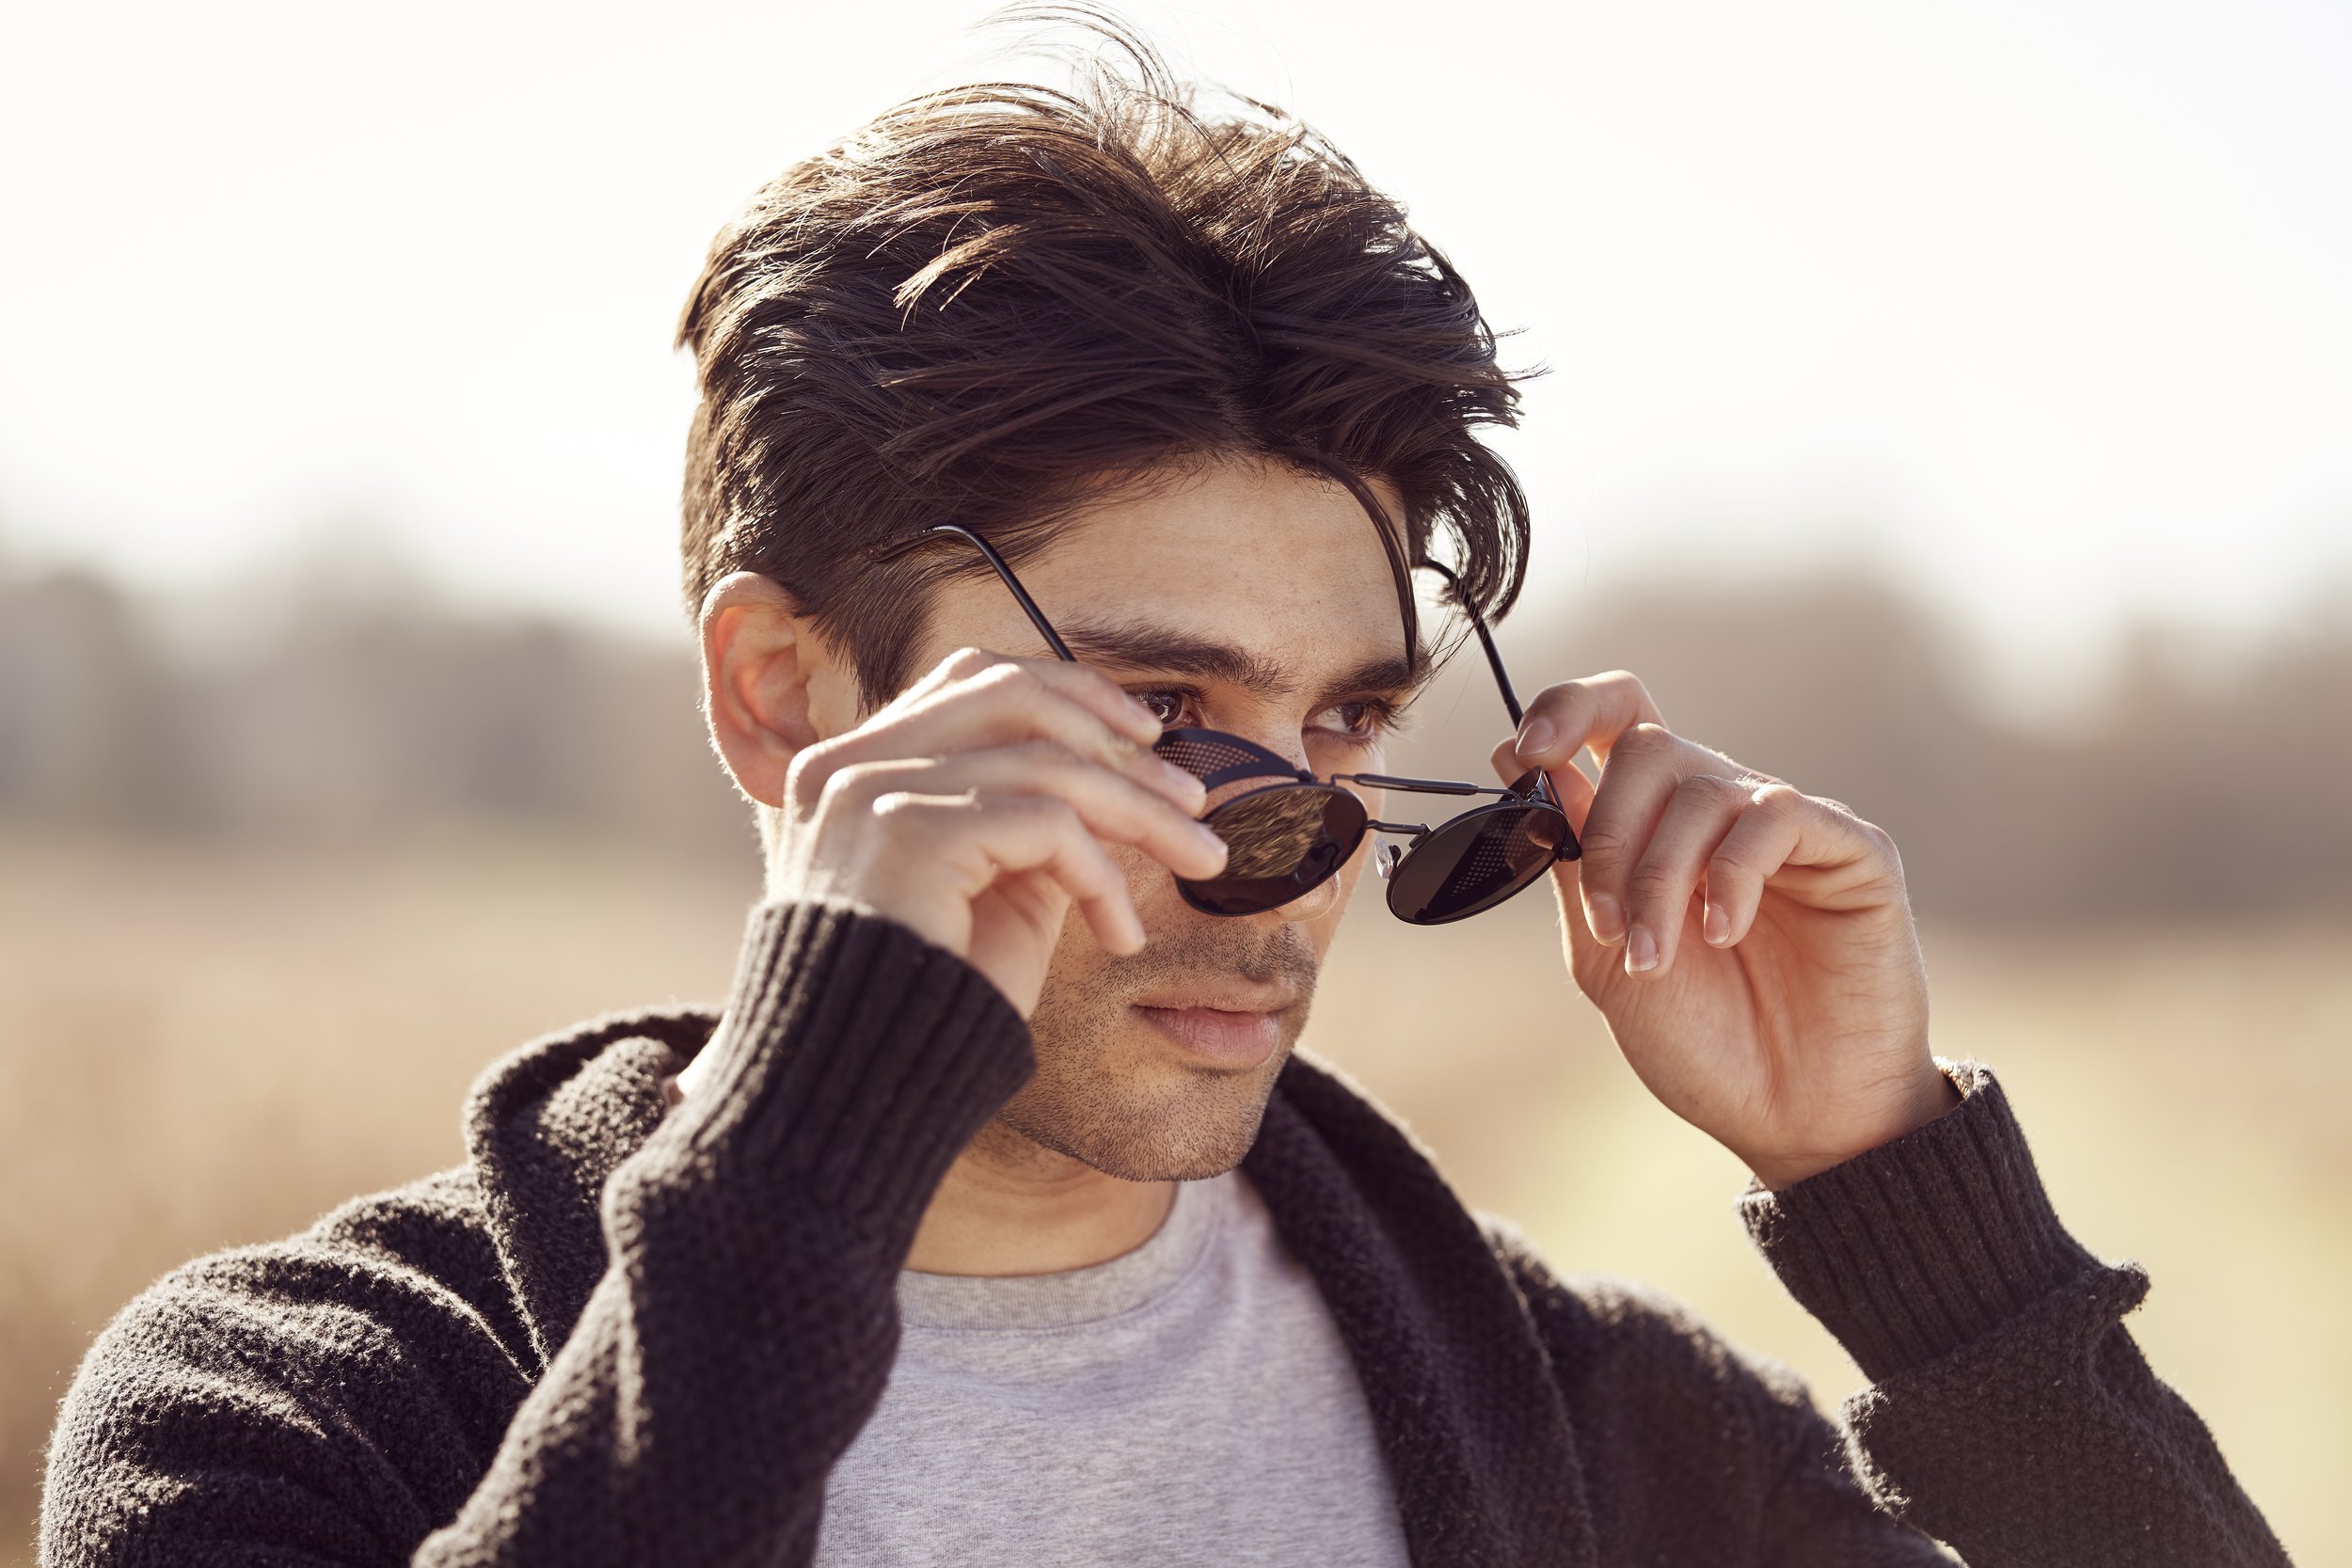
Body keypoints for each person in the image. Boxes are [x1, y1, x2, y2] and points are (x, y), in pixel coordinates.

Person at [40, 21, 2285, 1568]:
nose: (1273, 863)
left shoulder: (1602, 1436)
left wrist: (1901, 1198)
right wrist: (822, 1122)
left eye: (1328, 733)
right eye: (1159, 714)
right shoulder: (308, 1408)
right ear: (779, 700)